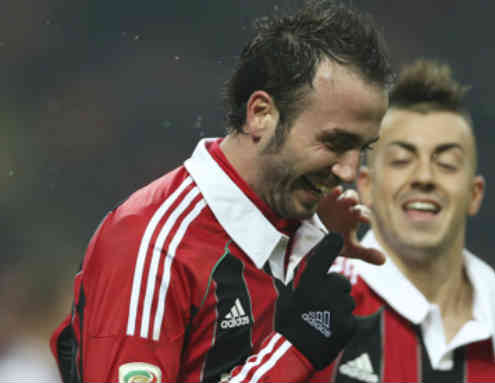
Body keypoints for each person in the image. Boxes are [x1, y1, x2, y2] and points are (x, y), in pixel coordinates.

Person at [49, 1, 393, 382]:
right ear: (261, 114)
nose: (349, 170)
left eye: (362, 148)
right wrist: (292, 351)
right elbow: (296, 347)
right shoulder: (153, 247)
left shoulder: (309, 237)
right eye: (334, 142)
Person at [310, 59, 495, 382]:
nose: (424, 176)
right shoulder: (316, 307)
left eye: (447, 163)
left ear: (475, 194)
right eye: (402, 160)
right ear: (366, 185)